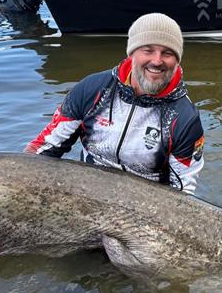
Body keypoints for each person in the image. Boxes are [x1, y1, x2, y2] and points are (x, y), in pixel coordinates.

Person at [25, 13, 205, 194]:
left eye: (167, 53)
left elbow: (183, 195)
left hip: (146, 205)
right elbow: (43, 150)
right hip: (87, 191)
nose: (157, 61)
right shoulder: (92, 89)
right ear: (132, 52)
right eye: (148, 50)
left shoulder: (185, 119)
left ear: (176, 60)